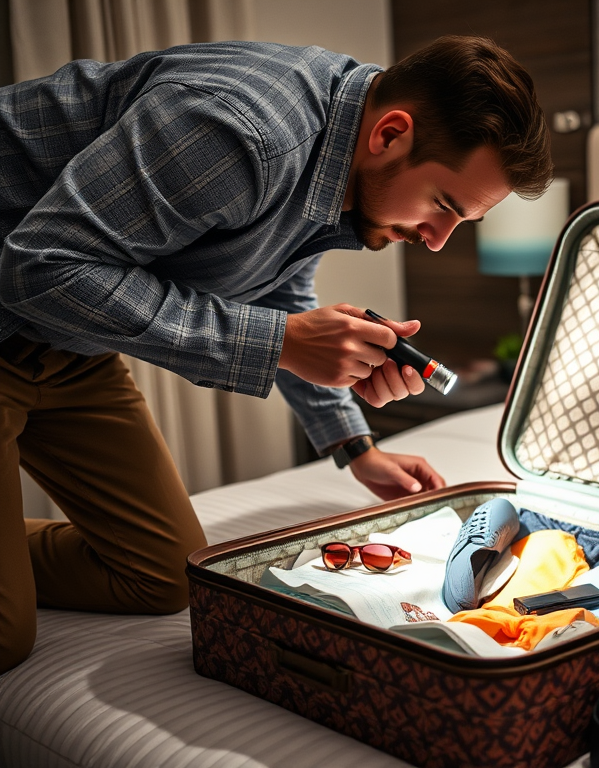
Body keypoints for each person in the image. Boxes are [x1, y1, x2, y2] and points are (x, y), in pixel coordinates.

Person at [0, 35, 553, 673]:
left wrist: (356, 448)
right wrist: (278, 345)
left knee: (164, 579)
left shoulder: (342, 156)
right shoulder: (239, 130)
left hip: (69, 346)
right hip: (16, 306)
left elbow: (280, 285)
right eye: (444, 206)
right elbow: (40, 266)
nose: (435, 242)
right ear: (390, 135)